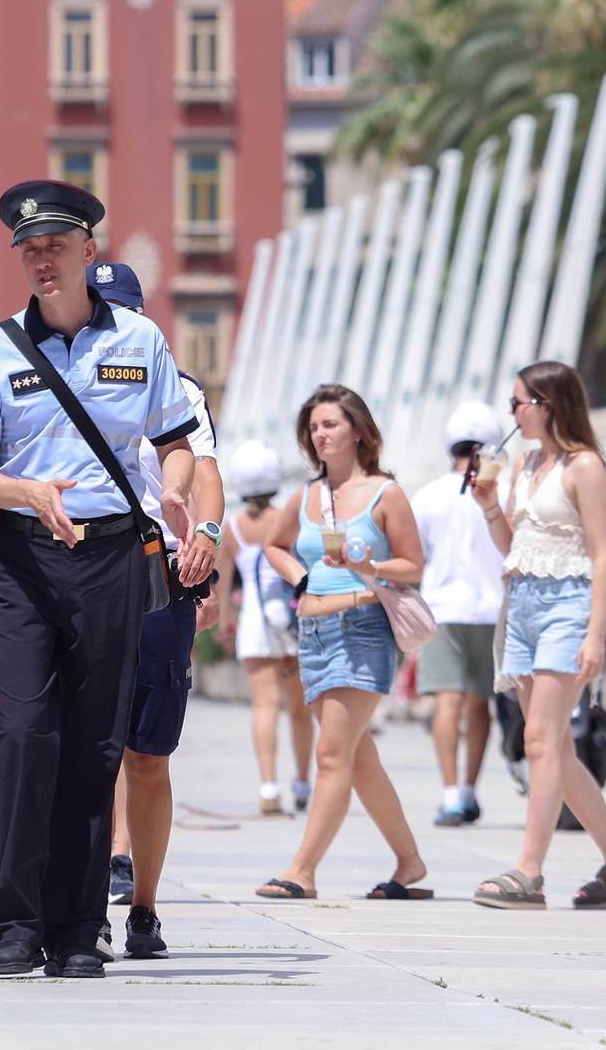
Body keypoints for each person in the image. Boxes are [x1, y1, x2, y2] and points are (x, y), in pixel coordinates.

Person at [0, 179, 197, 979]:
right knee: (22, 735)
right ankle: (17, 923)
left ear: (91, 251)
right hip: (20, 558)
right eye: (29, 250)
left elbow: (174, 438)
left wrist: (179, 489)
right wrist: (29, 494)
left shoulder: (141, 341)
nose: (42, 261)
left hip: (113, 558)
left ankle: (80, 929)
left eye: (55, 246)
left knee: (95, 741)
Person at [468, 362, 606, 911]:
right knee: (555, 749)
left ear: (546, 404)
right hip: (521, 603)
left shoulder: (584, 465)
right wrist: (490, 505)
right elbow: (513, 546)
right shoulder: (525, 462)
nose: (511, 412)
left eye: (518, 401)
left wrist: (595, 634)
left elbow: (601, 555)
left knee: (541, 741)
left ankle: (529, 870)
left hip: (567, 606)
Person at [88, 262, 224, 960]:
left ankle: (143, 904)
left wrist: (206, 535)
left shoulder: (180, 390)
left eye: (124, 310)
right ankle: (90, 905)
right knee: (89, 748)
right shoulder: (61, 376)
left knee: (147, 755)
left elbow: (206, 477)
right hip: (83, 572)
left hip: (156, 579)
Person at [254, 384, 428, 903]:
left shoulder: (385, 492)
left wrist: (366, 567)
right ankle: (411, 862)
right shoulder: (306, 496)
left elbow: (413, 565)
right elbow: (274, 546)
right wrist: (302, 581)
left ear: (357, 429)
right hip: (313, 632)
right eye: (312, 427)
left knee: (332, 756)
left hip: (363, 629)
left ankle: (302, 871)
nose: (319, 434)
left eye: (329, 424)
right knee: (359, 760)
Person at [411, 401, 506, 828]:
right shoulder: (502, 491)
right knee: (478, 703)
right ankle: (469, 789)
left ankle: (450, 794)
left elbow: (417, 558)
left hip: (442, 608)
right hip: (493, 609)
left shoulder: (428, 495)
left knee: (446, 702)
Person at [217, 439, 312, 816]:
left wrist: (226, 622)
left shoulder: (233, 529)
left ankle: (269, 787)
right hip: (294, 618)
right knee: (300, 707)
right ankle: (303, 782)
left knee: (264, 706)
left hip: (254, 622)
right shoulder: (288, 520)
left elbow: (222, 585)